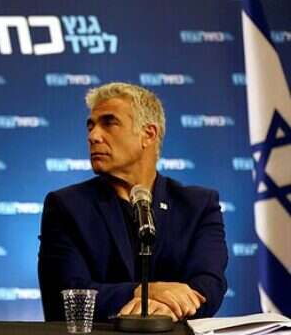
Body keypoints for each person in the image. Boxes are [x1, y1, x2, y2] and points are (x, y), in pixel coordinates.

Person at [38, 82, 227, 322]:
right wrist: (143, 293)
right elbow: (64, 295)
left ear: (148, 134)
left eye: (109, 123)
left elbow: (208, 285)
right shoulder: (66, 206)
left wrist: (165, 309)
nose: (93, 136)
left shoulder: (198, 205)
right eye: (91, 126)